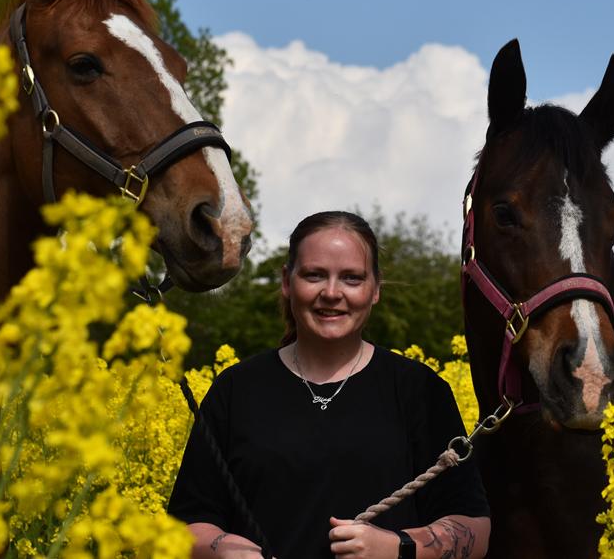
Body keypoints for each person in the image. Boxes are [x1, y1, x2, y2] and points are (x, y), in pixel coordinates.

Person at [167, 211, 491, 558]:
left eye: (352, 278)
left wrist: (398, 548)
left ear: (375, 289)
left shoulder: (421, 391)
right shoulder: (235, 390)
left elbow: (474, 530)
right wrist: (220, 550)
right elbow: (184, 526)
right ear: (287, 281)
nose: (332, 293)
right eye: (314, 275)